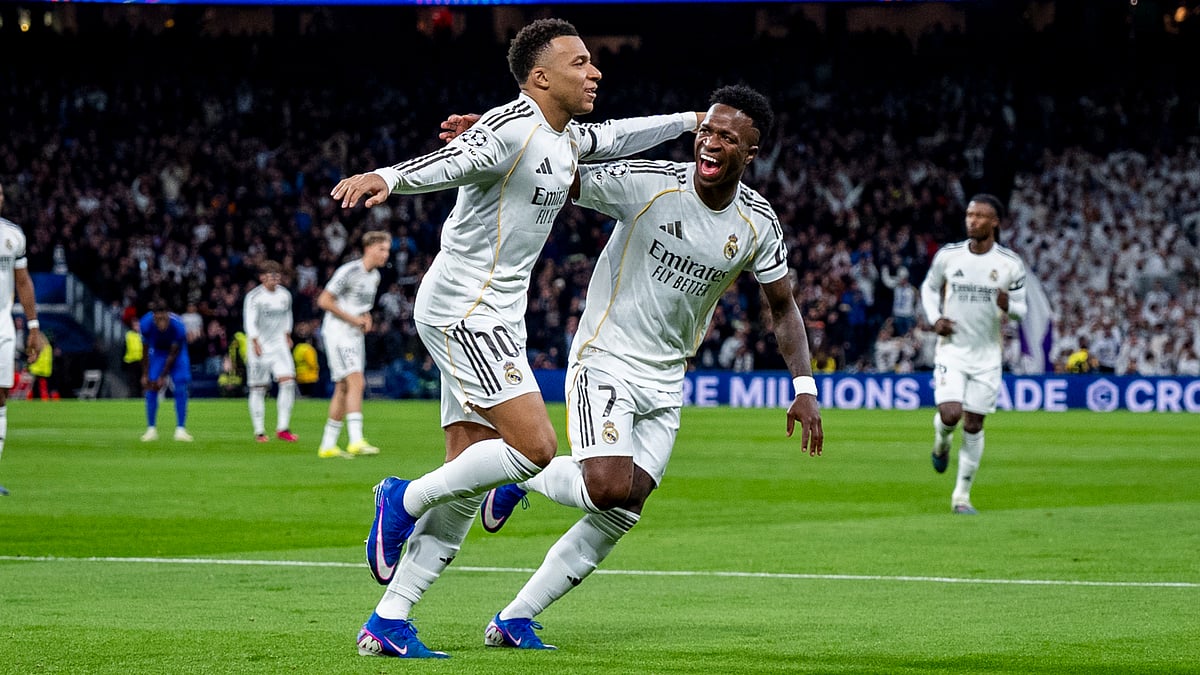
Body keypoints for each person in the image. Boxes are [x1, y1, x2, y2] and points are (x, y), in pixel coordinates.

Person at [333, 18, 703, 659]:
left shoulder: (563, 138)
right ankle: (401, 496)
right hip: (465, 312)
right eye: (580, 62)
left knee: (466, 476)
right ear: (540, 77)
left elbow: (621, 134)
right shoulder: (511, 127)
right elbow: (453, 161)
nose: (594, 71)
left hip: (497, 316)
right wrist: (388, 178)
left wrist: (693, 119)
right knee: (535, 447)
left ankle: (388, 621)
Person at [475, 85, 823, 650]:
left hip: (668, 376)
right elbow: (560, 173)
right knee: (608, 485)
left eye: (726, 137)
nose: (709, 143)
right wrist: (503, 139)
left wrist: (803, 387)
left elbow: (782, 306)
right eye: (706, 132)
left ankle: (514, 618)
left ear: (751, 152)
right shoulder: (649, 183)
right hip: (606, 357)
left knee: (627, 504)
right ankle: (523, 473)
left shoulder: (758, 221)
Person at [919, 194, 1028, 515]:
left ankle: (961, 497)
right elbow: (928, 288)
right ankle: (941, 443)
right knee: (951, 414)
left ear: (994, 222)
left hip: (987, 355)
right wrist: (935, 319)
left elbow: (1022, 310)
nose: (972, 220)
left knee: (974, 423)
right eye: (970, 214)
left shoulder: (1009, 263)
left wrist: (1010, 306)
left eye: (980, 216)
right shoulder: (948, 256)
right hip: (952, 350)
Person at [315, 230, 391, 459]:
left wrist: (366, 319)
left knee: (343, 387)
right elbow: (324, 300)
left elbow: (361, 307)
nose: (385, 254)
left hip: (354, 334)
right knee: (356, 381)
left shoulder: (374, 276)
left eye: (387, 250)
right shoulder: (349, 271)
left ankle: (328, 445)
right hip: (338, 333)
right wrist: (352, 319)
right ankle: (356, 440)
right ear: (368, 248)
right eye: (381, 249)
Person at [0, 182, 46, 495]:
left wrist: (33, 326)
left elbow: (23, 282)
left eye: (2, 194)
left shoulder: (13, 235)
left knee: (1, 395)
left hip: (3, 325)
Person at [243, 260, 299, 442]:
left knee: (288, 382)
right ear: (262, 277)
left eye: (277, 275)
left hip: (279, 345)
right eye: (271, 275)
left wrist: (287, 334)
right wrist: (254, 341)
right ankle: (259, 431)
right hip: (260, 346)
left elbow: (287, 316)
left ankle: (283, 428)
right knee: (258, 388)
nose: (275, 278)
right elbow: (250, 321)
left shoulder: (285, 295)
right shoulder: (254, 297)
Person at [139, 299, 194, 442]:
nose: (161, 322)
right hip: (157, 353)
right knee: (151, 387)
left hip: (177, 354)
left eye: (163, 318)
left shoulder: (178, 326)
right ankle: (151, 429)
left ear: (168, 315)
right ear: (153, 317)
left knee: (180, 386)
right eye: (158, 319)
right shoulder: (145, 324)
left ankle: (180, 429)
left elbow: (173, 354)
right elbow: (144, 350)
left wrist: (162, 376)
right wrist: (145, 374)